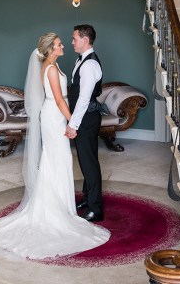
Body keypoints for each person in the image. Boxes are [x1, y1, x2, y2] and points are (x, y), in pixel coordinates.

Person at [0, 33, 110, 260]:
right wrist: (72, 122)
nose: (63, 45)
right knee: (57, 158)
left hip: (56, 114)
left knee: (58, 158)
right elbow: (59, 100)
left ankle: (60, 203)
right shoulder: (49, 68)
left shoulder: (52, 66)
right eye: (59, 44)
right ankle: (54, 207)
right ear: (50, 49)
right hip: (55, 115)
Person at [65, 24, 104, 222]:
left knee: (89, 163)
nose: (72, 42)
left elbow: (83, 98)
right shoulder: (82, 61)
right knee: (85, 160)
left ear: (84, 40)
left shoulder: (89, 65)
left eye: (74, 38)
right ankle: (88, 198)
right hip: (86, 117)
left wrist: (73, 124)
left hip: (87, 118)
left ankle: (96, 208)